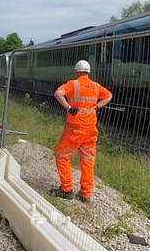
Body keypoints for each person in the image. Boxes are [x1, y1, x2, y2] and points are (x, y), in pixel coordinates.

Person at [50, 60, 112, 203]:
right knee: (88, 159)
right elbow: (109, 96)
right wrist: (97, 106)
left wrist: (68, 107)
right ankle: (86, 193)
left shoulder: (73, 84)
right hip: (91, 128)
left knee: (62, 154)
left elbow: (58, 93)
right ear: (88, 72)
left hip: (76, 127)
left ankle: (66, 189)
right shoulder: (96, 86)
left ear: (76, 72)